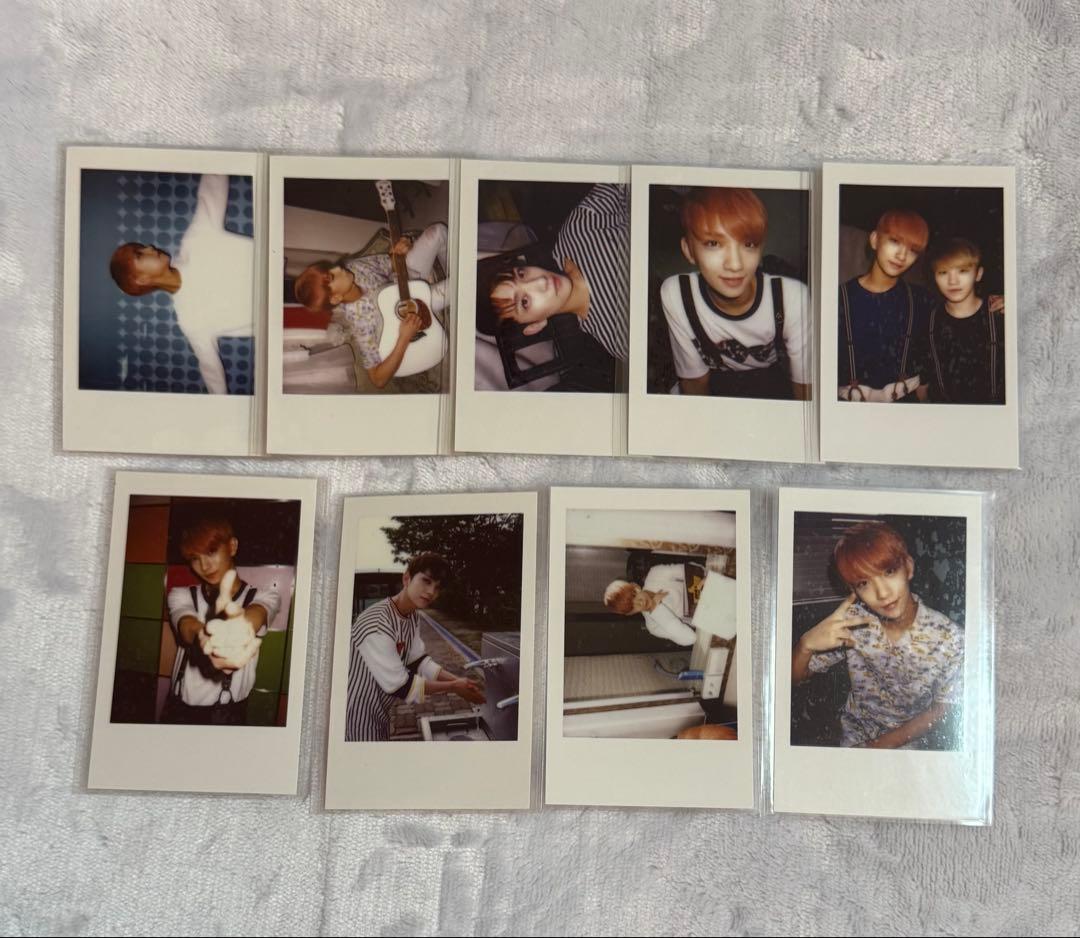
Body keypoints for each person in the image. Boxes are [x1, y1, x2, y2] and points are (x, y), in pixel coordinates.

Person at [791, 522, 964, 749]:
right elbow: (794, 677)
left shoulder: (951, 638)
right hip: (853, 736)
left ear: (908, 567)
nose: (882, 593)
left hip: (909, 746)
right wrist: (805, 645)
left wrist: (877, 746)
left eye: (889, 572)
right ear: (854, 591)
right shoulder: (852, 622)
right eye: (864, 583)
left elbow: (943, 707)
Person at [659, 186, 810, 400]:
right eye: (713, 244)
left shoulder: (791, 298)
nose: (735, 264)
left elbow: (804, 394)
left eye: (749, 244)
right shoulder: (677, 295)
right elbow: (695, 385)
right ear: (689, 251)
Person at [109, 174, 253, 395]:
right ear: (142, 280)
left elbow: (211, 190)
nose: (149, 247)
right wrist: (222, 409)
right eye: (140, 254)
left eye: (141, 247)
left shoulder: (196, 240)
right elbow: (211, 371)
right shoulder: (190, 320)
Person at [345, 553, 485, 742]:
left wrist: (460, 682)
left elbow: (418, 662)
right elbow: (402, 687)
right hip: (355, 716)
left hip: (379, 713)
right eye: (426, 581)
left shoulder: (411, 616)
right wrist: (454, 687)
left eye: (437, 587)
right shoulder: (377, 623)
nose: (431, 592)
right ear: (406, 579)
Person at [294, 223, 449, 390]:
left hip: (405, 279)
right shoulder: (360, 323)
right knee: (458, 285)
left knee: (438, 231)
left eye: (330, 268)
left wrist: (402, 248)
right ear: (336, 298)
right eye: (332, 276)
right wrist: (404, 338)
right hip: (415, 311)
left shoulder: (353, 267)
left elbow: (391, 263)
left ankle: (452, 266)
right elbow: (377, 379)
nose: (338, 267)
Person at [488, 183, 630, 366]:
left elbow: (621, 181)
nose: (540, 281)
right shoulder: (616, 335)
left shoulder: (577, 232)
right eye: (524, 302)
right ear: (535, 325)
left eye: (521, 274)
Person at [163, 517, 281, 725]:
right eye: (194, 558)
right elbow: (187, 625)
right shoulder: (181, 595)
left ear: (232, 546)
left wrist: (237, 630)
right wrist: (204, 637)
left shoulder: (265, 597)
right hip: (178, 711)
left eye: (211, 551)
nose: (204, 566)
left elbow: (255, 614)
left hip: (227, 715)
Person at [837, 209, 934, 402]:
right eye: (895, 241)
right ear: (874, 240)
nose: (902, 255)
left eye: (913, 250)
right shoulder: (839, 297)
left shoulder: (922, 299)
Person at [926, 237, 1005, 404]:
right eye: (943, 272)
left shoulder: (1000, 314)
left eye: (962, 271)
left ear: (978, 274)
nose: (953, 281)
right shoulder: (929, 321)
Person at [603, 562, 698, 646]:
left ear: (636, 586)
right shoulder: (653, 626)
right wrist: (656, 609)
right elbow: (691, 638)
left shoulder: (655, 574)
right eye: (631, 607)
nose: (639, 602)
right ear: (630, 613)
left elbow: (695, 569)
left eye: (634, 595)